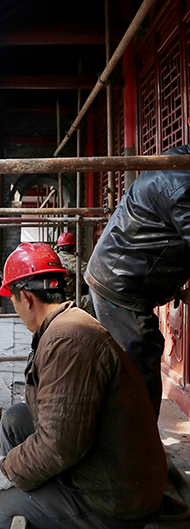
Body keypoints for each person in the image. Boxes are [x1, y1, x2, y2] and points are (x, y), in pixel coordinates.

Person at [0, 242, 166, 529]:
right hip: (114, 466)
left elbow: (59, 445)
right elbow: (49, 412)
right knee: (15, 420)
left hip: (115, 500)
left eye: (13, 300)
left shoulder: (68, 343)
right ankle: (43, 493)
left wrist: (6, 469)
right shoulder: (68, 322)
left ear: (26, 298)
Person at [85, 144, 190, 417]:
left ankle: (120, 432)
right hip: (120, 283)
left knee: (125, 364)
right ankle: (137, 441)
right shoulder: (181, 181)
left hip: (119, 275)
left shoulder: (177, 165)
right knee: (139, 367)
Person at [56, 231, 93, 314]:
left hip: (54, 299)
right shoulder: (71, 260)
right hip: (67, 301)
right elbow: (90, 270)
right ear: (74, 248)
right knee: (93, 299)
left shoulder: (55, 257)